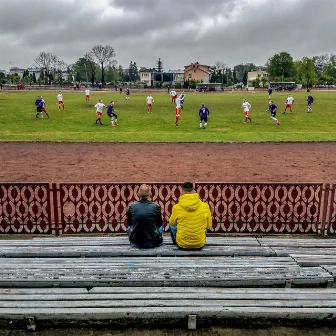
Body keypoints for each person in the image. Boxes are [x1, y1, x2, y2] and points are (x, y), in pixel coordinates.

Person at [169, 182, 212, 250]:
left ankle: (176, 241)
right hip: (199, 244)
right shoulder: (205, 206)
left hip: (182, 244)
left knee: (171, 225)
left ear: (182, 191)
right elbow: (209, 225)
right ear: (193, 190)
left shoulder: (176, 207)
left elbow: (172, 223)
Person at [127, 184, 164, 249]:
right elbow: (159, 224)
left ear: (138, 194)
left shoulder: (132, 206)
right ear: (150, 194)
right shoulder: (156, 206)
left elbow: (129, 223)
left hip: (135, 242)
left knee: (129, 227)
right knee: (161, 227)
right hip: (153, 242)